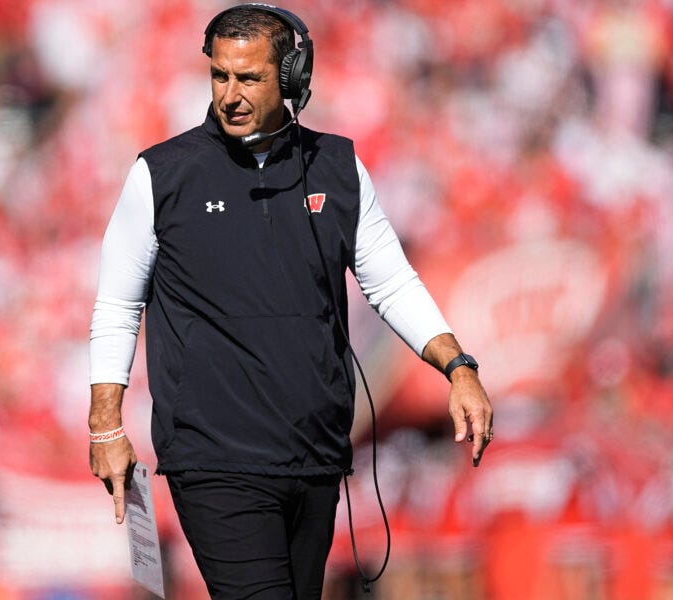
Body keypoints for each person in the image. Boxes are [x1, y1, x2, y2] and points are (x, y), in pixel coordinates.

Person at [87, 4, 493, 599]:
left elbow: (391, 282)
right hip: (213, 456)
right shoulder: (162, 174)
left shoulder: (338, 166)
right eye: (219, 76)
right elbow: (117, 305)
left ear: (294, 77)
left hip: (313, 454)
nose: (230, 94)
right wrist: (105, 427)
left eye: (248, 78)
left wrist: (457, 367)